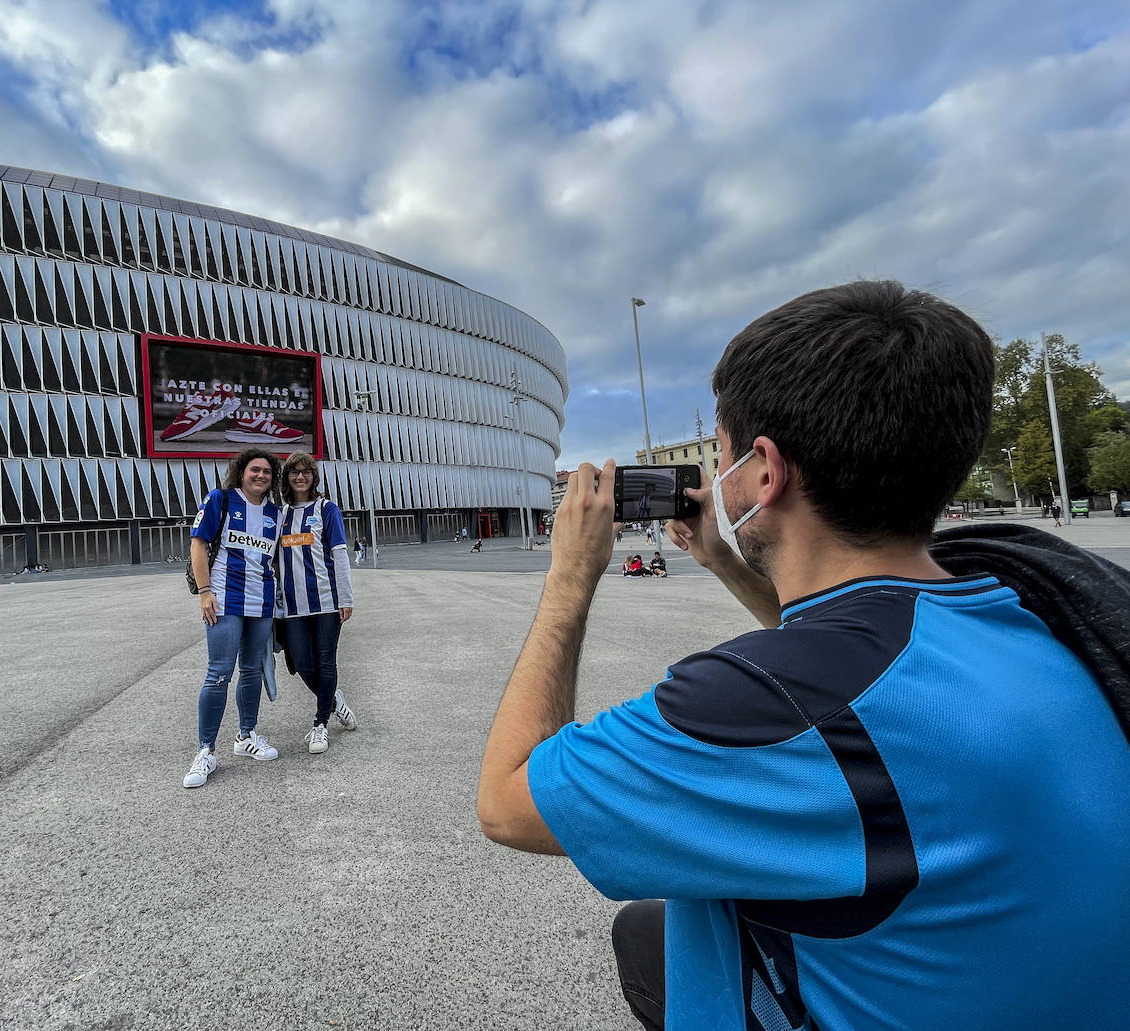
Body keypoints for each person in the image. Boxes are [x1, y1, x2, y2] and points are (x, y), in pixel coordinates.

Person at [477, 281, 1130, 1031]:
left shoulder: (757, 699)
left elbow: (507, 801)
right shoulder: (1034, 606)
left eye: (719, 454)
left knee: (653, 928)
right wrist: (725, 562)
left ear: (765, 471)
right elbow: (844, 657)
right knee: (648, 930)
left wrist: (568, 576)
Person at [183, 448, 284, 789]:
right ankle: (205, 750)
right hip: (224, 600)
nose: (261, 475)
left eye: (267, 472)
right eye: (255, 469)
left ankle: (246, 735)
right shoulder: (220, 500)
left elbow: (278, 559)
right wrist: (204, 591)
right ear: (241, 472)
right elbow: (198, 545)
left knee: (253, 669)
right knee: (218, 673)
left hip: (262, 602)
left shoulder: (275, 512)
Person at [277, 452, 359, 754]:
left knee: (325, 662)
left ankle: (320, 724)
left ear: (314, 476)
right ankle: (335, 700)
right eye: (294, 472)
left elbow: (339, 553)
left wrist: (345, 597)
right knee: (300, 662)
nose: (300, 477)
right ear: (286, 478)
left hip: (326, 602)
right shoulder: (280, 514)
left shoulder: (327, 509)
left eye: (306, 472)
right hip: (292, 606)